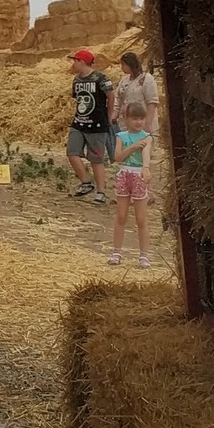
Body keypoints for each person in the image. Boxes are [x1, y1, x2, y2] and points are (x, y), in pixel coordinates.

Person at [107, 99, 154, 267]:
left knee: (141, 218)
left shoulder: (147, 138)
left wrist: (146, 168)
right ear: (126, 119)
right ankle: (116, 252)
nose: (139, 122)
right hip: (124, 173)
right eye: (135, 119)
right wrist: (133, 147)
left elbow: (146, 154)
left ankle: (144, 255)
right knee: (121, 215)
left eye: (141, 118)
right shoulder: (121, 137)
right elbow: (117, 157)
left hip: (139, 174)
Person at [66, 48, 114, 202]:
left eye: (75, 61)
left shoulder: (100, 78)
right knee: (72, 152)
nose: (73, 64)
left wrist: (109, 115)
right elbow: (78, 98)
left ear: (82, 62)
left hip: (97, 123)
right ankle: (86, 182)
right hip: (79, 122)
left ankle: (101, 192)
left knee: (96, 159)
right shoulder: (77, 80)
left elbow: (111, 96)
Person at [112, 51, 159, 138]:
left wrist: (147, 124)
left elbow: (152, 102)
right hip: (125, 125)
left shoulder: (147, 79)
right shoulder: (124, 81)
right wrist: (113, 117)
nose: (122, 67)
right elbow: (118, 100)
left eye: (123, 65)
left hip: (142, 124)